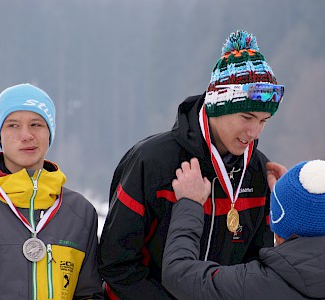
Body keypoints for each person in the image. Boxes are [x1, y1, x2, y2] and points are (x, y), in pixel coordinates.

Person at [98, 30, 285, 299]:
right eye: (247, 117)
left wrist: (289, 206)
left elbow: (258, 268)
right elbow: (116, 264)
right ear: (217, 106)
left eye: (264, 121)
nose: (255, 132)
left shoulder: (258, 172)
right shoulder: (150, 161)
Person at [162, 158, 325, 299]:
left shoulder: (251, 283)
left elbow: (177, 273)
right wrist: (294, 202)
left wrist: (189, 204)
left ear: (277, 221)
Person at [0, 83, 103, 299]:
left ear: (50, 132)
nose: (26, 135)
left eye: (36, 124)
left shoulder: (80, 213)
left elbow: (88, 294)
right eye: (13, 125)